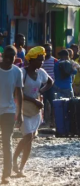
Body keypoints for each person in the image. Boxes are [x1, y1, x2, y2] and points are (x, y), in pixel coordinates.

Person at [13, 46, 53, 177]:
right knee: (28, 136)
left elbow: (50, 82)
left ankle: (21, 167)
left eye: (42, 60)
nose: (42, 62)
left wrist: (41, 92)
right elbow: (17, 92)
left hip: (35, 111)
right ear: (32, 60)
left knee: (29, 139)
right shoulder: (22, 73)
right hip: (23, 109)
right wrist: (34, 100)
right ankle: (14, 159)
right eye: (39, 60)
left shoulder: (41, 73)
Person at [0, 46, 23, 184]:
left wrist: (19, 113)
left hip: (9, 111)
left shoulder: (17, 71)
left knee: (7, 142)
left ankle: (6, 174)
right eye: (6, 56)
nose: (9, 60)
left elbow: (19, 92)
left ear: (15, 57)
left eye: (12, 57)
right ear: (2, 55)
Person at [41, 43, 58, 127]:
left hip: (52, 86)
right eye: (46, 50)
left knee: (53, 104)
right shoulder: (40, 61)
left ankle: (53, 121)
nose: (48, 52)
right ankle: (42, 120)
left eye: (50, 50)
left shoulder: (55, 61)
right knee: (41, 103)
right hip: (42, 85)